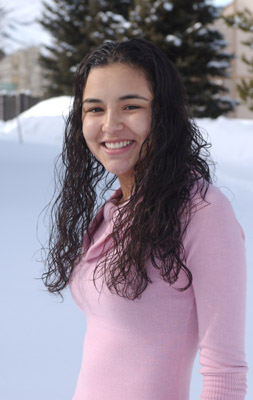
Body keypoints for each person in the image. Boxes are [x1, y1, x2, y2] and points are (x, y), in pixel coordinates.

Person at [43, 39, 248, 399]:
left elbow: (224, 373)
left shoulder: (202, 212)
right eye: (94, 109)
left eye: (131, 106)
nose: (110, 125)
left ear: (164, 113)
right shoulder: (114, 209)